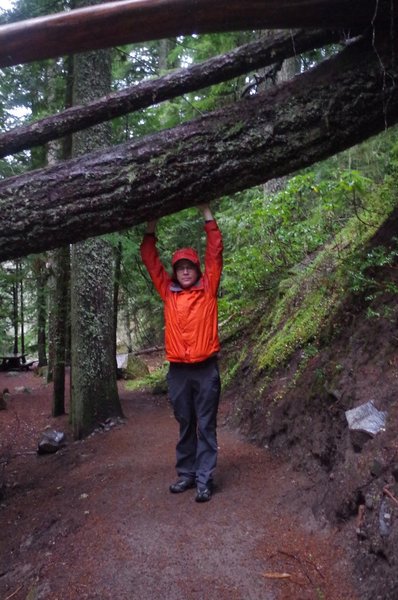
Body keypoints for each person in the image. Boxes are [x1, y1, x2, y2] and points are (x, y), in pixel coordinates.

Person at [140, 204, 223, 502]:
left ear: (197, 269)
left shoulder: (208, 289)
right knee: (186, 422)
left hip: (205, 369)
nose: (185, 270)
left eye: (190, 266)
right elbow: (150, 260)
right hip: (178, 371)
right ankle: (186, 475)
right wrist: (151, 227)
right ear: (175, 272)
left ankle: (204, 479)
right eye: (180, 267)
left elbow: (215, 250)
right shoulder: (168, 292)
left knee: (206, 424)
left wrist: (207, 214)